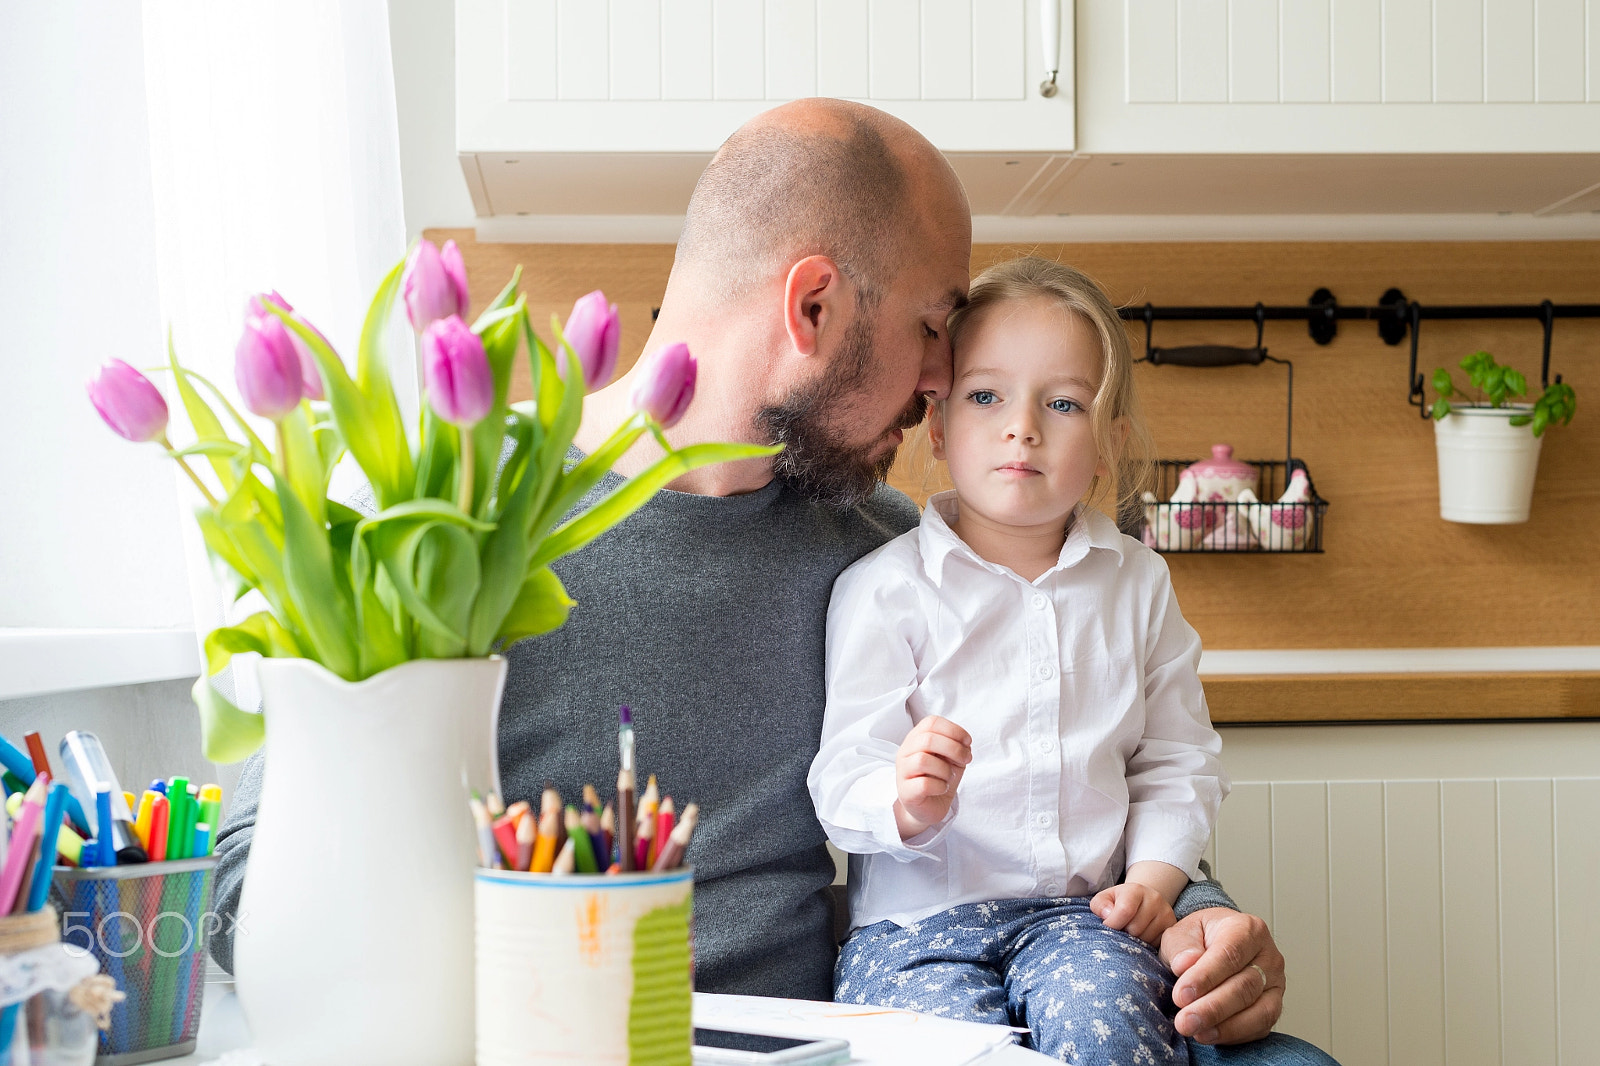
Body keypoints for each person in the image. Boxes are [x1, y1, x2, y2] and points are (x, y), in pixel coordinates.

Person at [208, 98, 1327, 1063]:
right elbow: (251, 871)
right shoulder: (457, 526)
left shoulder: (891, 551)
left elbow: (1074, 797)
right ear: (813, 308)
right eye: (935, 326)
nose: (945, 379)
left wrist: (1205, 923)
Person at [811, 256, 1225, 1061]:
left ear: (1110, 444)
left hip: (1082, 923)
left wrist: (1154, 881)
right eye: (986, 395)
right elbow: (839, 774)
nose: (1022, 427)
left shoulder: (1137, 584)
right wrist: (902, 798)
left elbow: (1177, 761)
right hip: (912, 932)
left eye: (1064, 403)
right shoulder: (884, 589)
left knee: (1113, 1025)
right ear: (937, 425)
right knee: (941, 1050)